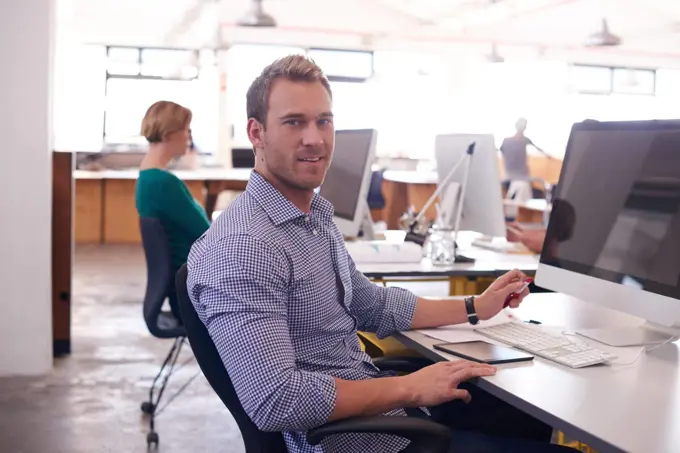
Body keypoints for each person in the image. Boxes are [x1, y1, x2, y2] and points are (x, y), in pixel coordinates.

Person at [187, 56, 571, 453]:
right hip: (351, 440)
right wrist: (410, 389)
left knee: (525, 415)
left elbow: (374, 305)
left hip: (378, 411)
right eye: (294, 122)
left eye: (324, 121)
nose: (315, 138)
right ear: (256, 132)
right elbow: (277, 400)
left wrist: (477, 307)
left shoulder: (311, 219)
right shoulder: (246, 247)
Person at [135, 100, 210, 319]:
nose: (189, 137)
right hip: (194, 295)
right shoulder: (163, 183)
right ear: (169, 134)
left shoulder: (148, 177)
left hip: (184, 290)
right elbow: (208, 236)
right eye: (187, 130)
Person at [500, 118, 551, 182]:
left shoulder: (524, 140)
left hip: (520, 173)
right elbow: (500, 151)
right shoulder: (507, 141)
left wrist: (547, 155)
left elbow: (538, 149)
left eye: (524, 126)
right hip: (511, 173)